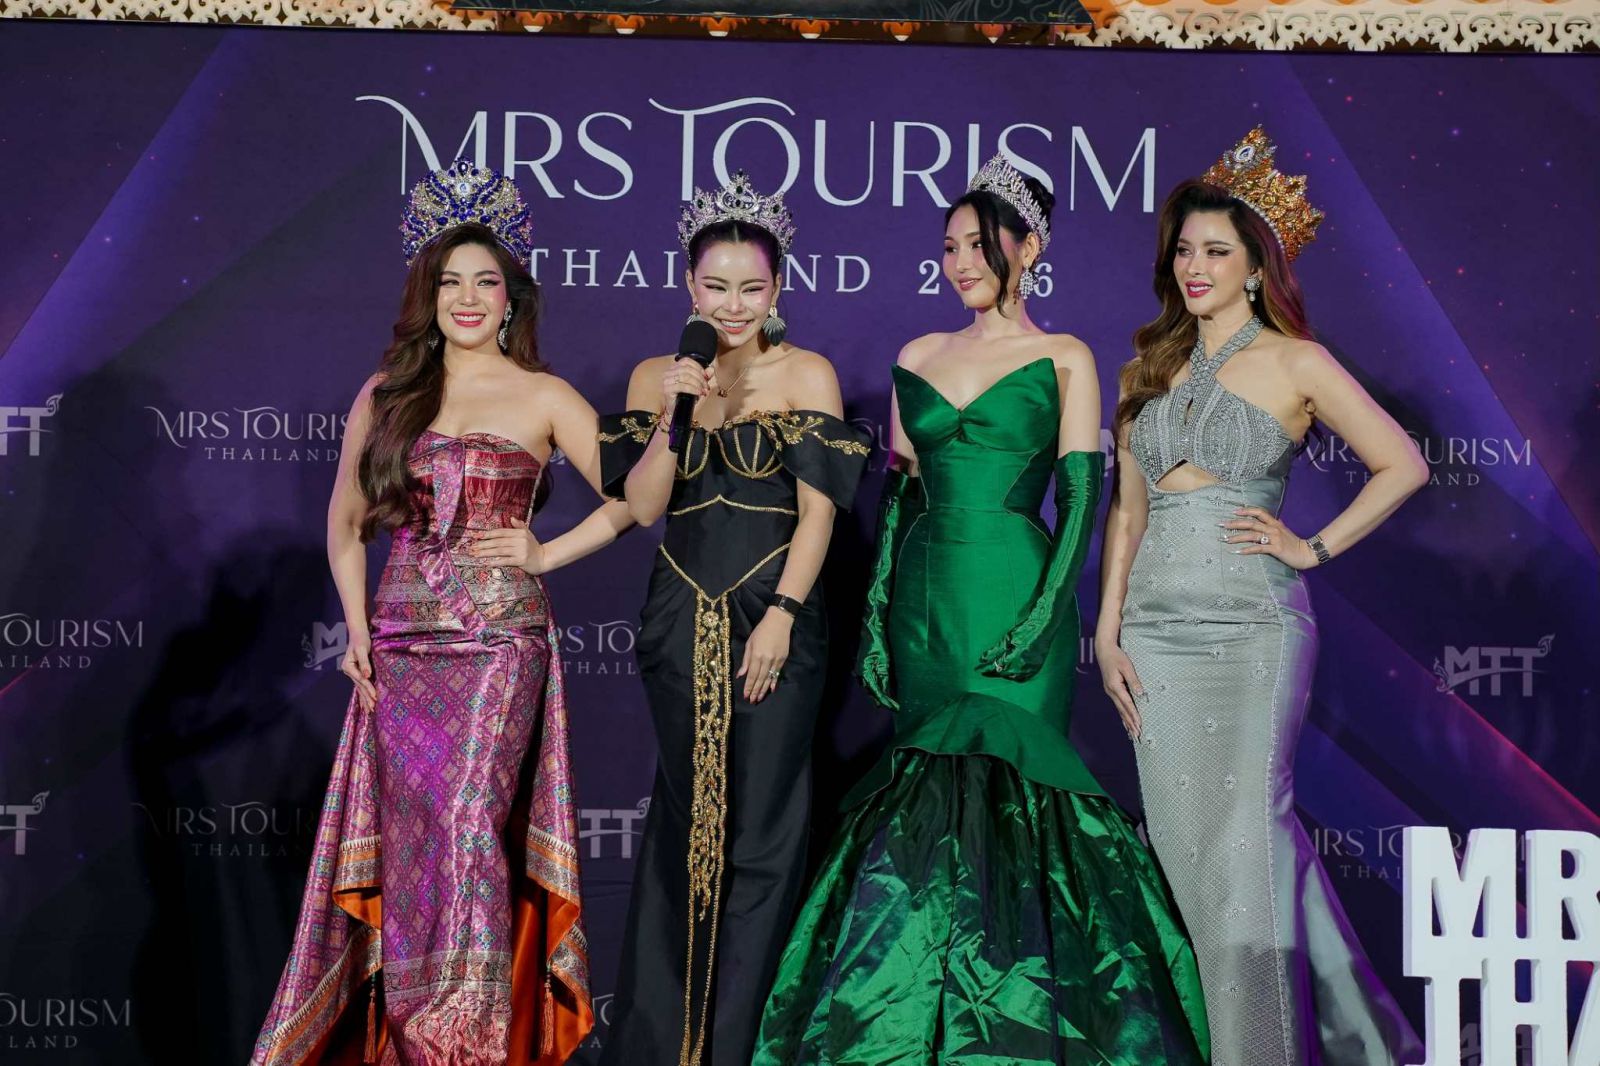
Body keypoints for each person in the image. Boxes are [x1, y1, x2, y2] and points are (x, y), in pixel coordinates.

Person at [753, 155, 1209, 1065]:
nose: (961, 262)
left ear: (1028, 248)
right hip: (927, 601)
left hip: (1017, 586)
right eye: (950, 247)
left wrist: (1044, 616)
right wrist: (879, 616)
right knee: (921, 811)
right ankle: (907, 1034)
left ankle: (1019, 1035)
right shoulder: (916, 356)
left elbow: (1082, 500)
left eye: (979, 245)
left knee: (1019, 802)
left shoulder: (1065, 356)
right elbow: (900, 502)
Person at [253, 160, 629, 1066]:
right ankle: (412, 1039)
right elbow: (346, 526)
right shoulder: (387, 393)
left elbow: (634, 497)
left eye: (484, 281)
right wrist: (356, 630)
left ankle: (466, 1045)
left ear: (511, 297)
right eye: (449, 281)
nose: (466, 298)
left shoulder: (543, 394)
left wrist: (546, 552)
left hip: (499, 640)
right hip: (401, 646)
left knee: (467, 823)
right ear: (427, 294)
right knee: (419, 840)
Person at [1097, 128, 1428, 1064]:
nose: (1194, 267)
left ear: (1253, 268)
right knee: (1189, 860)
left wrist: (1311, 546)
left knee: (1245, 851)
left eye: (1216, 252)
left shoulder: (1297, 362)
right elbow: (1127, 513)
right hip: (1153, 638)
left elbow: (1402, 463)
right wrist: (1108, 630)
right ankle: (1350, 1042)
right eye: (1184, 250)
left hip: (1252, 629)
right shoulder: (1144, 369)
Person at [596, 172, 870, 1066]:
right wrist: (674, 413)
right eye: (716, 286)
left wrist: (784, 613)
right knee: (685, 823)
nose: (734, 305)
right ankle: (661, 1041)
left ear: (778, 287)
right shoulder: (656, 376)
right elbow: (643, 506)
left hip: (774, 616)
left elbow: (819, 514)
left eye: (752, 288)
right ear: (688, 285)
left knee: (763, 832)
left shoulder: (808, 374)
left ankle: (742, 1045)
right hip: (678, 615)